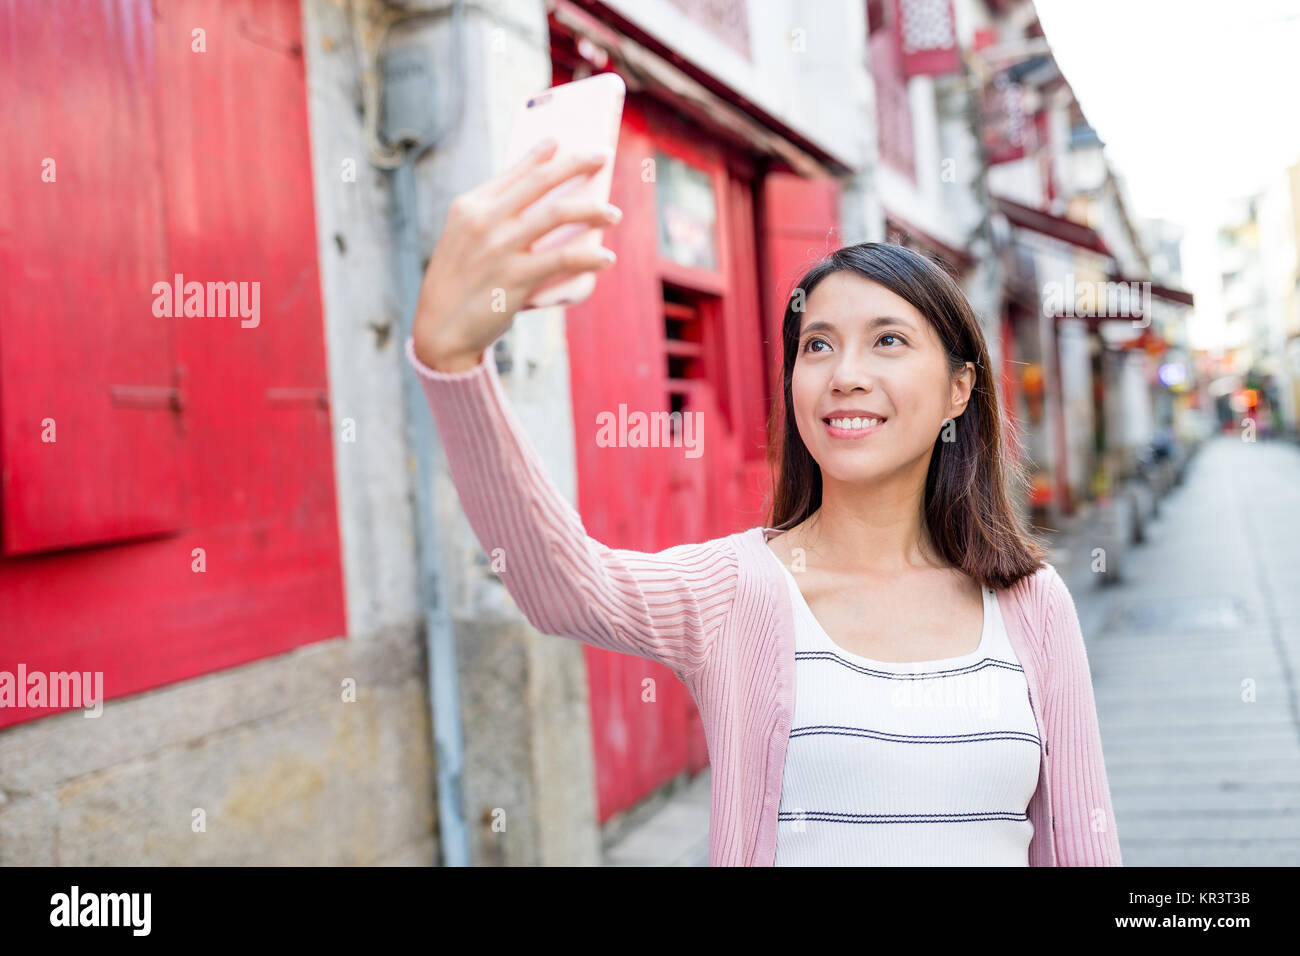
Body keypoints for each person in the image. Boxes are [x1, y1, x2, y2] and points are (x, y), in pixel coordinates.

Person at [405, 136, 1122, 866]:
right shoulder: (739, 590)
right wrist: (453, 364)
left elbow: (1083, 843)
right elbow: (564, 587)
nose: (845, 374)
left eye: (889, 341)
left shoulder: (1031, 603)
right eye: (817, 346)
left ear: (958, 390)